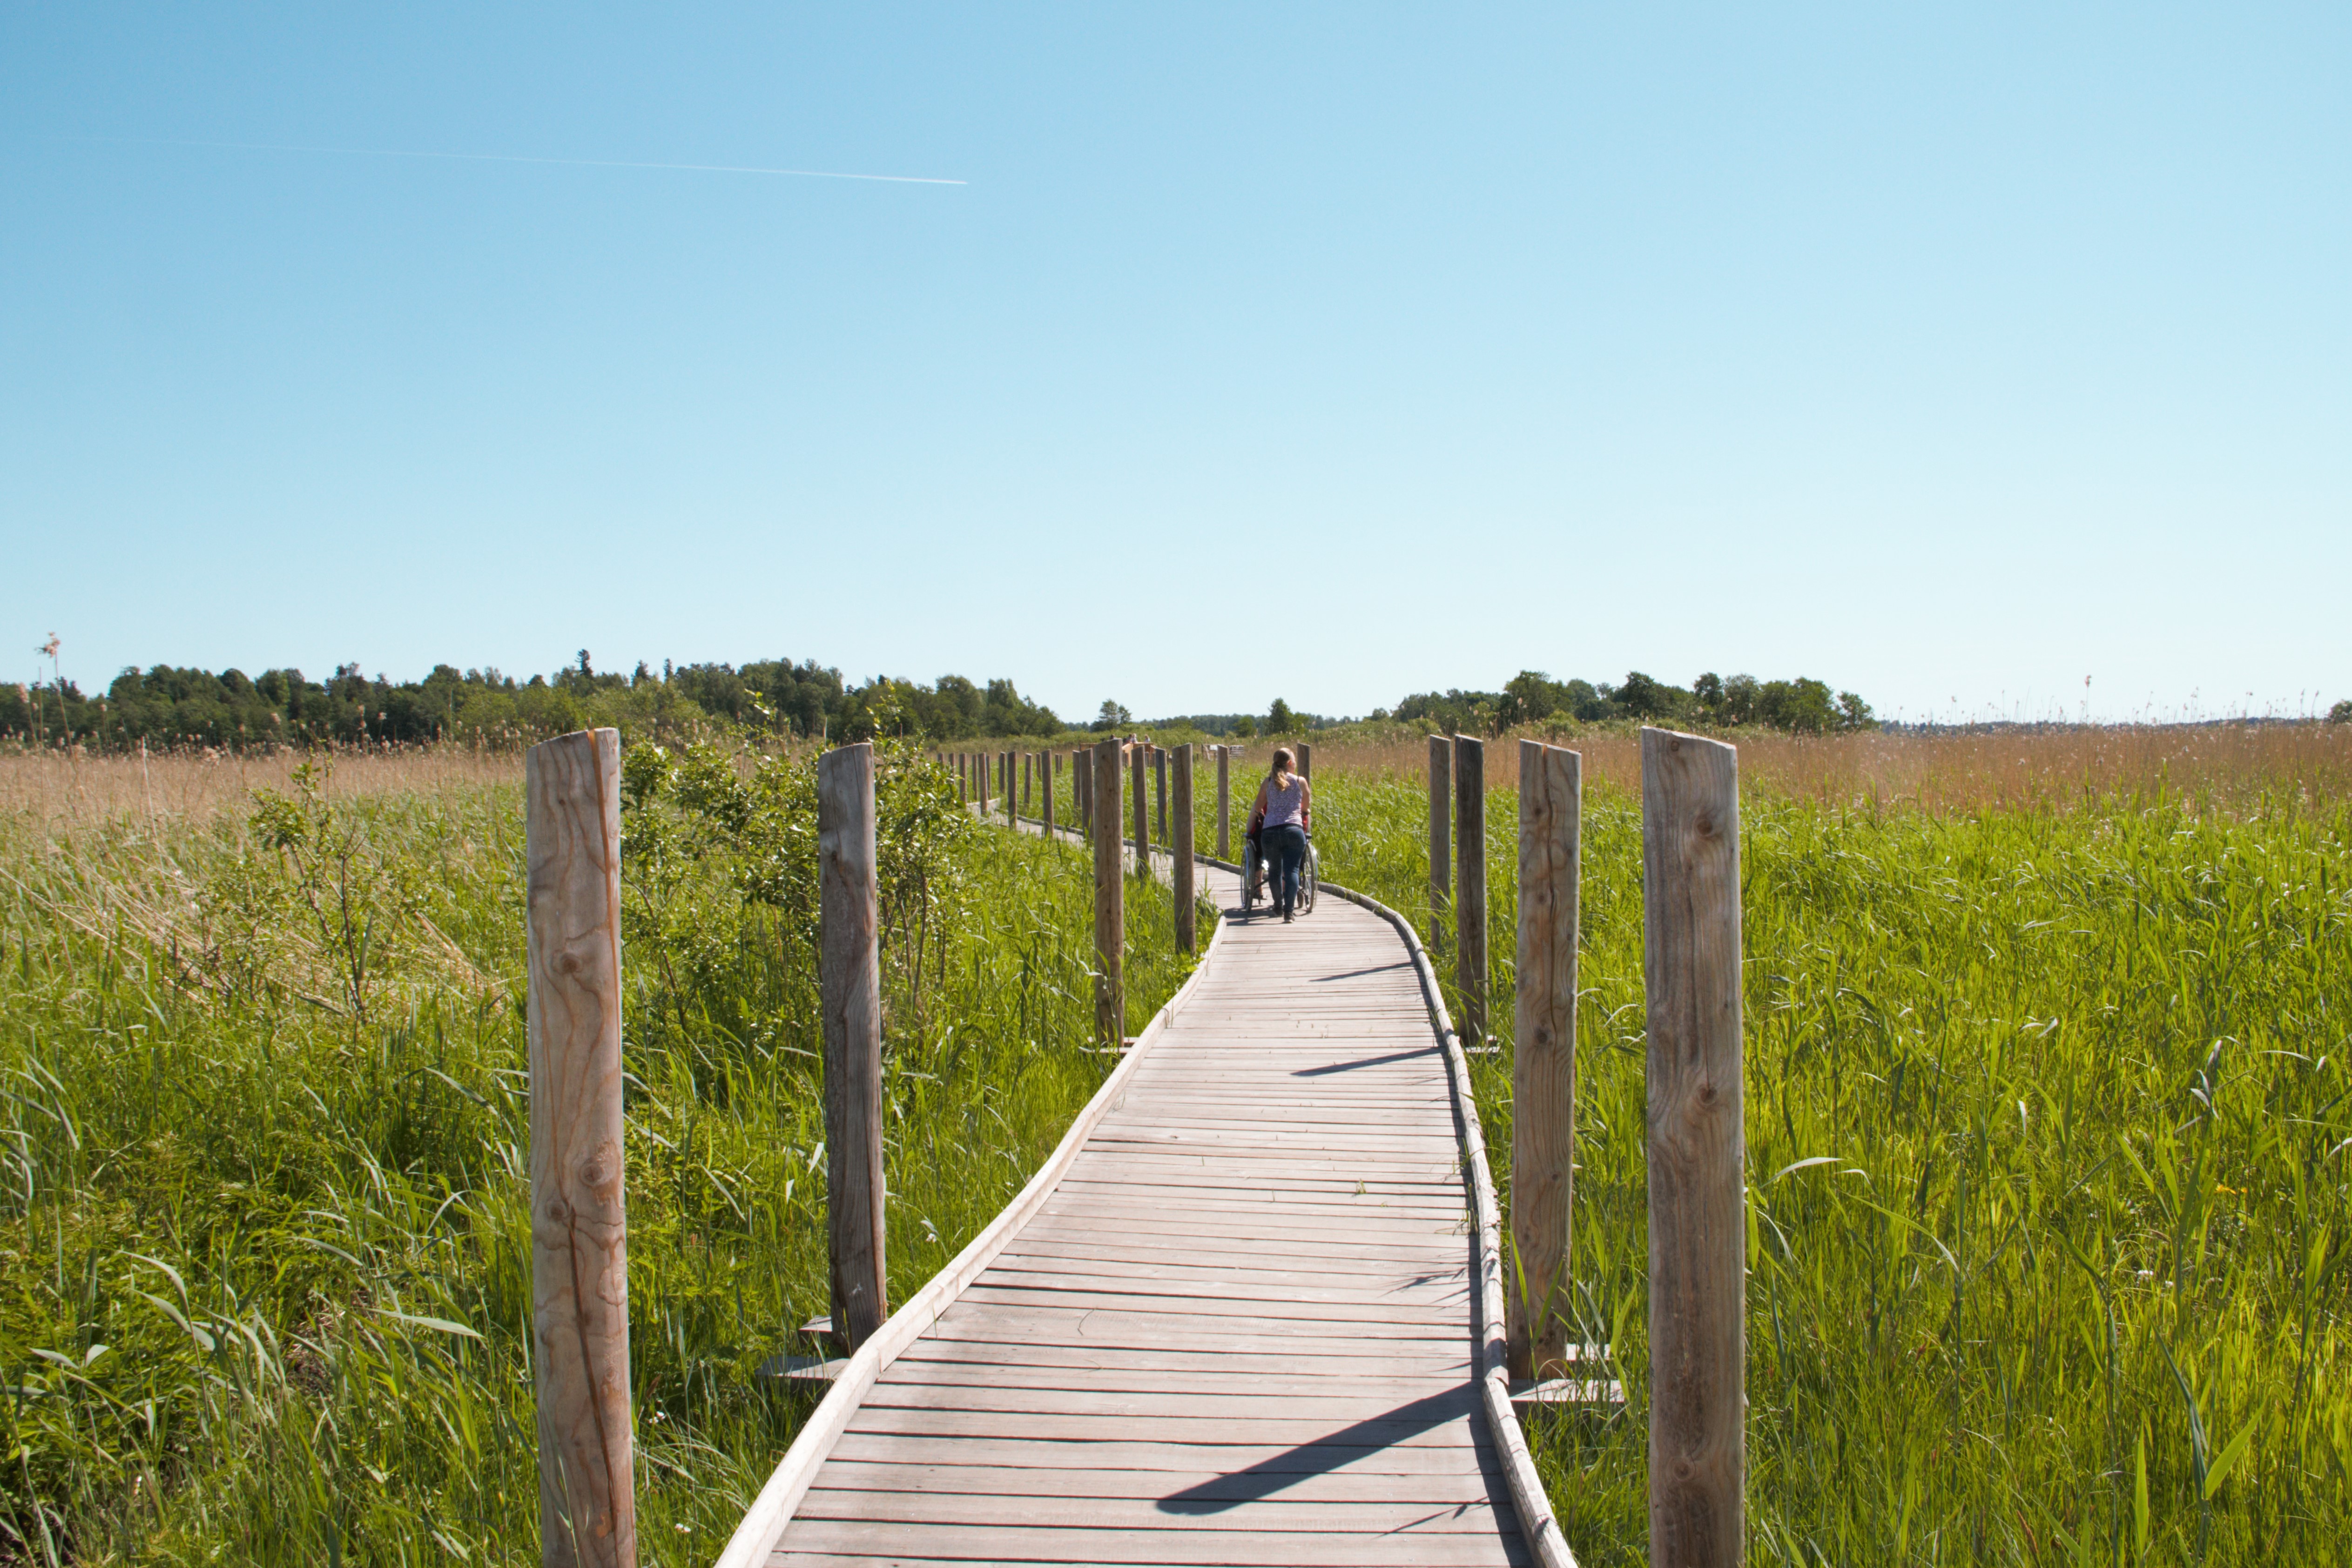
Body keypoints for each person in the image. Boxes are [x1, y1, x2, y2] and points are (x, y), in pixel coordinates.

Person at [1249, 748, 1313, 922]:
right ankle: (1289, 912)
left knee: (1275, 871)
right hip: (1293, 831)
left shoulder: (1268, 782)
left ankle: (1278, 906)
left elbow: (1258, 808)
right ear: (1291, 764)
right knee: (1292, 870)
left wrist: (1250, 830)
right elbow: (1306, 809)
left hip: (1270, 833)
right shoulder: (1300, 781)